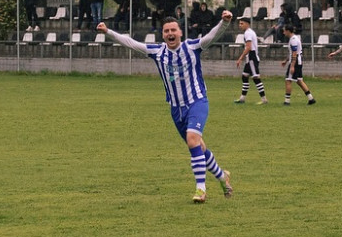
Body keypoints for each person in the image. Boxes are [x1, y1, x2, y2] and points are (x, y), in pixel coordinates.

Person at [98, 14, 234, 203]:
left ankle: (201, 189)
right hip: (176, 109)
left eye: (173, 30)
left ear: (180, 33)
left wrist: (225, 22)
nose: (170, 33)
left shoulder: (192, 47)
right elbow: (130, 43)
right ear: (163, 34)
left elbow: (212, 36)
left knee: (192, 140)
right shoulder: (157, 51)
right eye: (166, 31)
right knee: (199, 147)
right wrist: (107, 32)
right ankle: (222, 177)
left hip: (197, 102)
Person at [233, 15, 267, 104]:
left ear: (247, 24)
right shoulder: (249, 32)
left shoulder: (248, 33)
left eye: (241, 23)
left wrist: (240, 58)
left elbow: (248, 47)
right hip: (250, 58)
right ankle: (242, 98)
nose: (240, 25)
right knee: (244, 76)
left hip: (252, 57)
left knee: (256, 78)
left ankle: (264, 99)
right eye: (239, 23)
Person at [279, 23, 316, 106]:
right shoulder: (294, 38)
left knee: (288, 80)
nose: (283, 33)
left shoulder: (293, 40)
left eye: (284, 31)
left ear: (288, 31)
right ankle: (311, 99)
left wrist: (292, 66)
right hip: (298, 62)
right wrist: (285, 60)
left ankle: (287, 101)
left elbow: (295, 53)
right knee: (299, 81)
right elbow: (293, 53)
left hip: (295, 62)